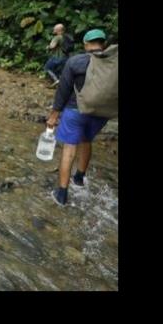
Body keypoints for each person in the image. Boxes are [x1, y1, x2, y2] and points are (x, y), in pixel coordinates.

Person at [46, 29, 111, 207]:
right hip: (101, 113)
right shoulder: (112, 63)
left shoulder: (76, 61)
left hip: (76, 111)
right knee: (86, 139)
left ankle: (61, 193)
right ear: (103, 44)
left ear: (85, 44)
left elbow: (63, 90)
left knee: (69, 148)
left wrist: (54, 115)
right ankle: (79, 179)